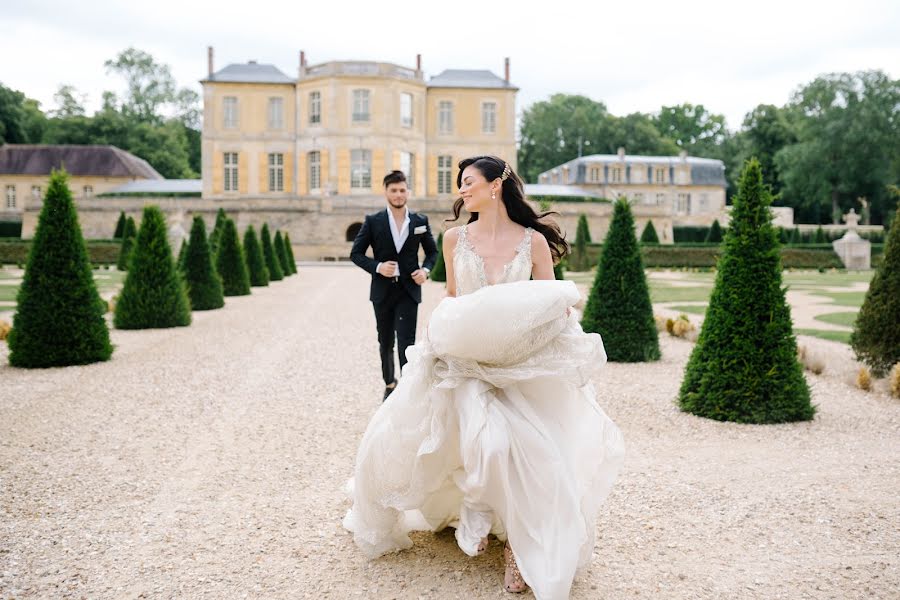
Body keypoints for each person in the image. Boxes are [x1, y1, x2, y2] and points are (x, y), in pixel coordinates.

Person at [343, 156, 624, 599]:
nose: (461, 191)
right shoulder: (454, 239)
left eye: (468, 182)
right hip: (468, 362)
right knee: (482, 441)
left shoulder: (532, 242)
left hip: (519, 364)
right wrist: (437, 339)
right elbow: (454, 299)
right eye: (459, 185)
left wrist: (563, 337)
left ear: (496, 186)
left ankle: (518, 542)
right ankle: (475, 508)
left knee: (533, 455)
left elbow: (550, 302)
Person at [350, 170, 438, 400]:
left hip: (409, 291)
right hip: (382, 291)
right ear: (386, 192)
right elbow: (356, 253)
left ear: (407, 191)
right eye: (394, 190)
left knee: (407, 342)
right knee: (386, 340)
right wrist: (378, 267)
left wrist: (426, 270)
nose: (398, 195)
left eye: (402, 190)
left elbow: (432, 253)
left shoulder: (420, 221)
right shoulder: (373, 221)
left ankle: (408, 390)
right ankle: (389, 384)